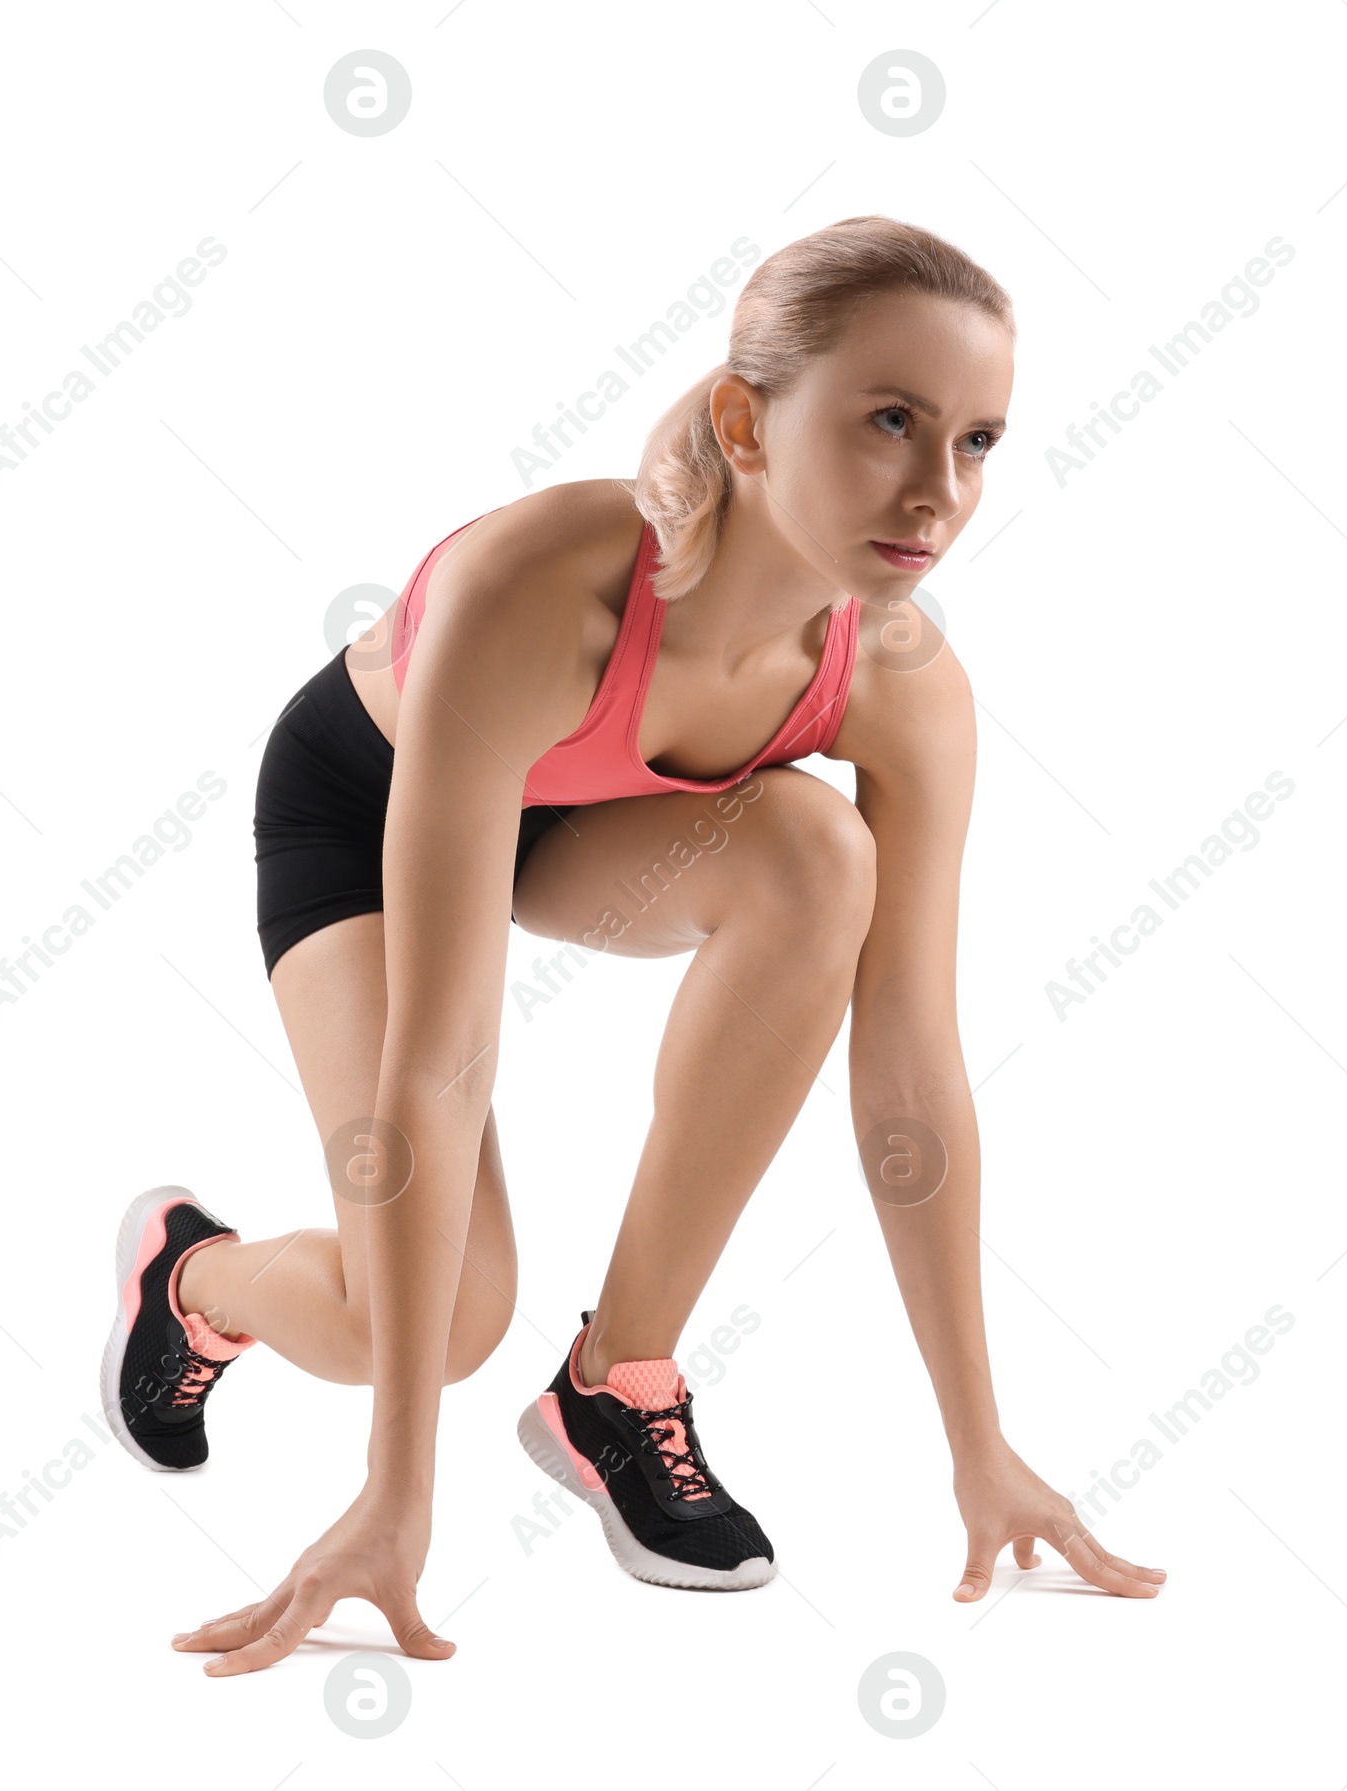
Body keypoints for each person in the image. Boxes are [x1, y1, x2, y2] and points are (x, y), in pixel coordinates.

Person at [99, 214, 1167, 1678]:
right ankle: (195, 1280)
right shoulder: (542, 591)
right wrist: (395, 1496)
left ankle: (616, 1385)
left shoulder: (907, 685)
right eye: (891, 422)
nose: (937, 491)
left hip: (604, 818)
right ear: (747, 419)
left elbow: (913, 1070)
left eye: (978, 441)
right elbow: (444, 1061)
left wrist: (982, 1448)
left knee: (815, 855)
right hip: (369, 806)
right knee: (431, 1314)